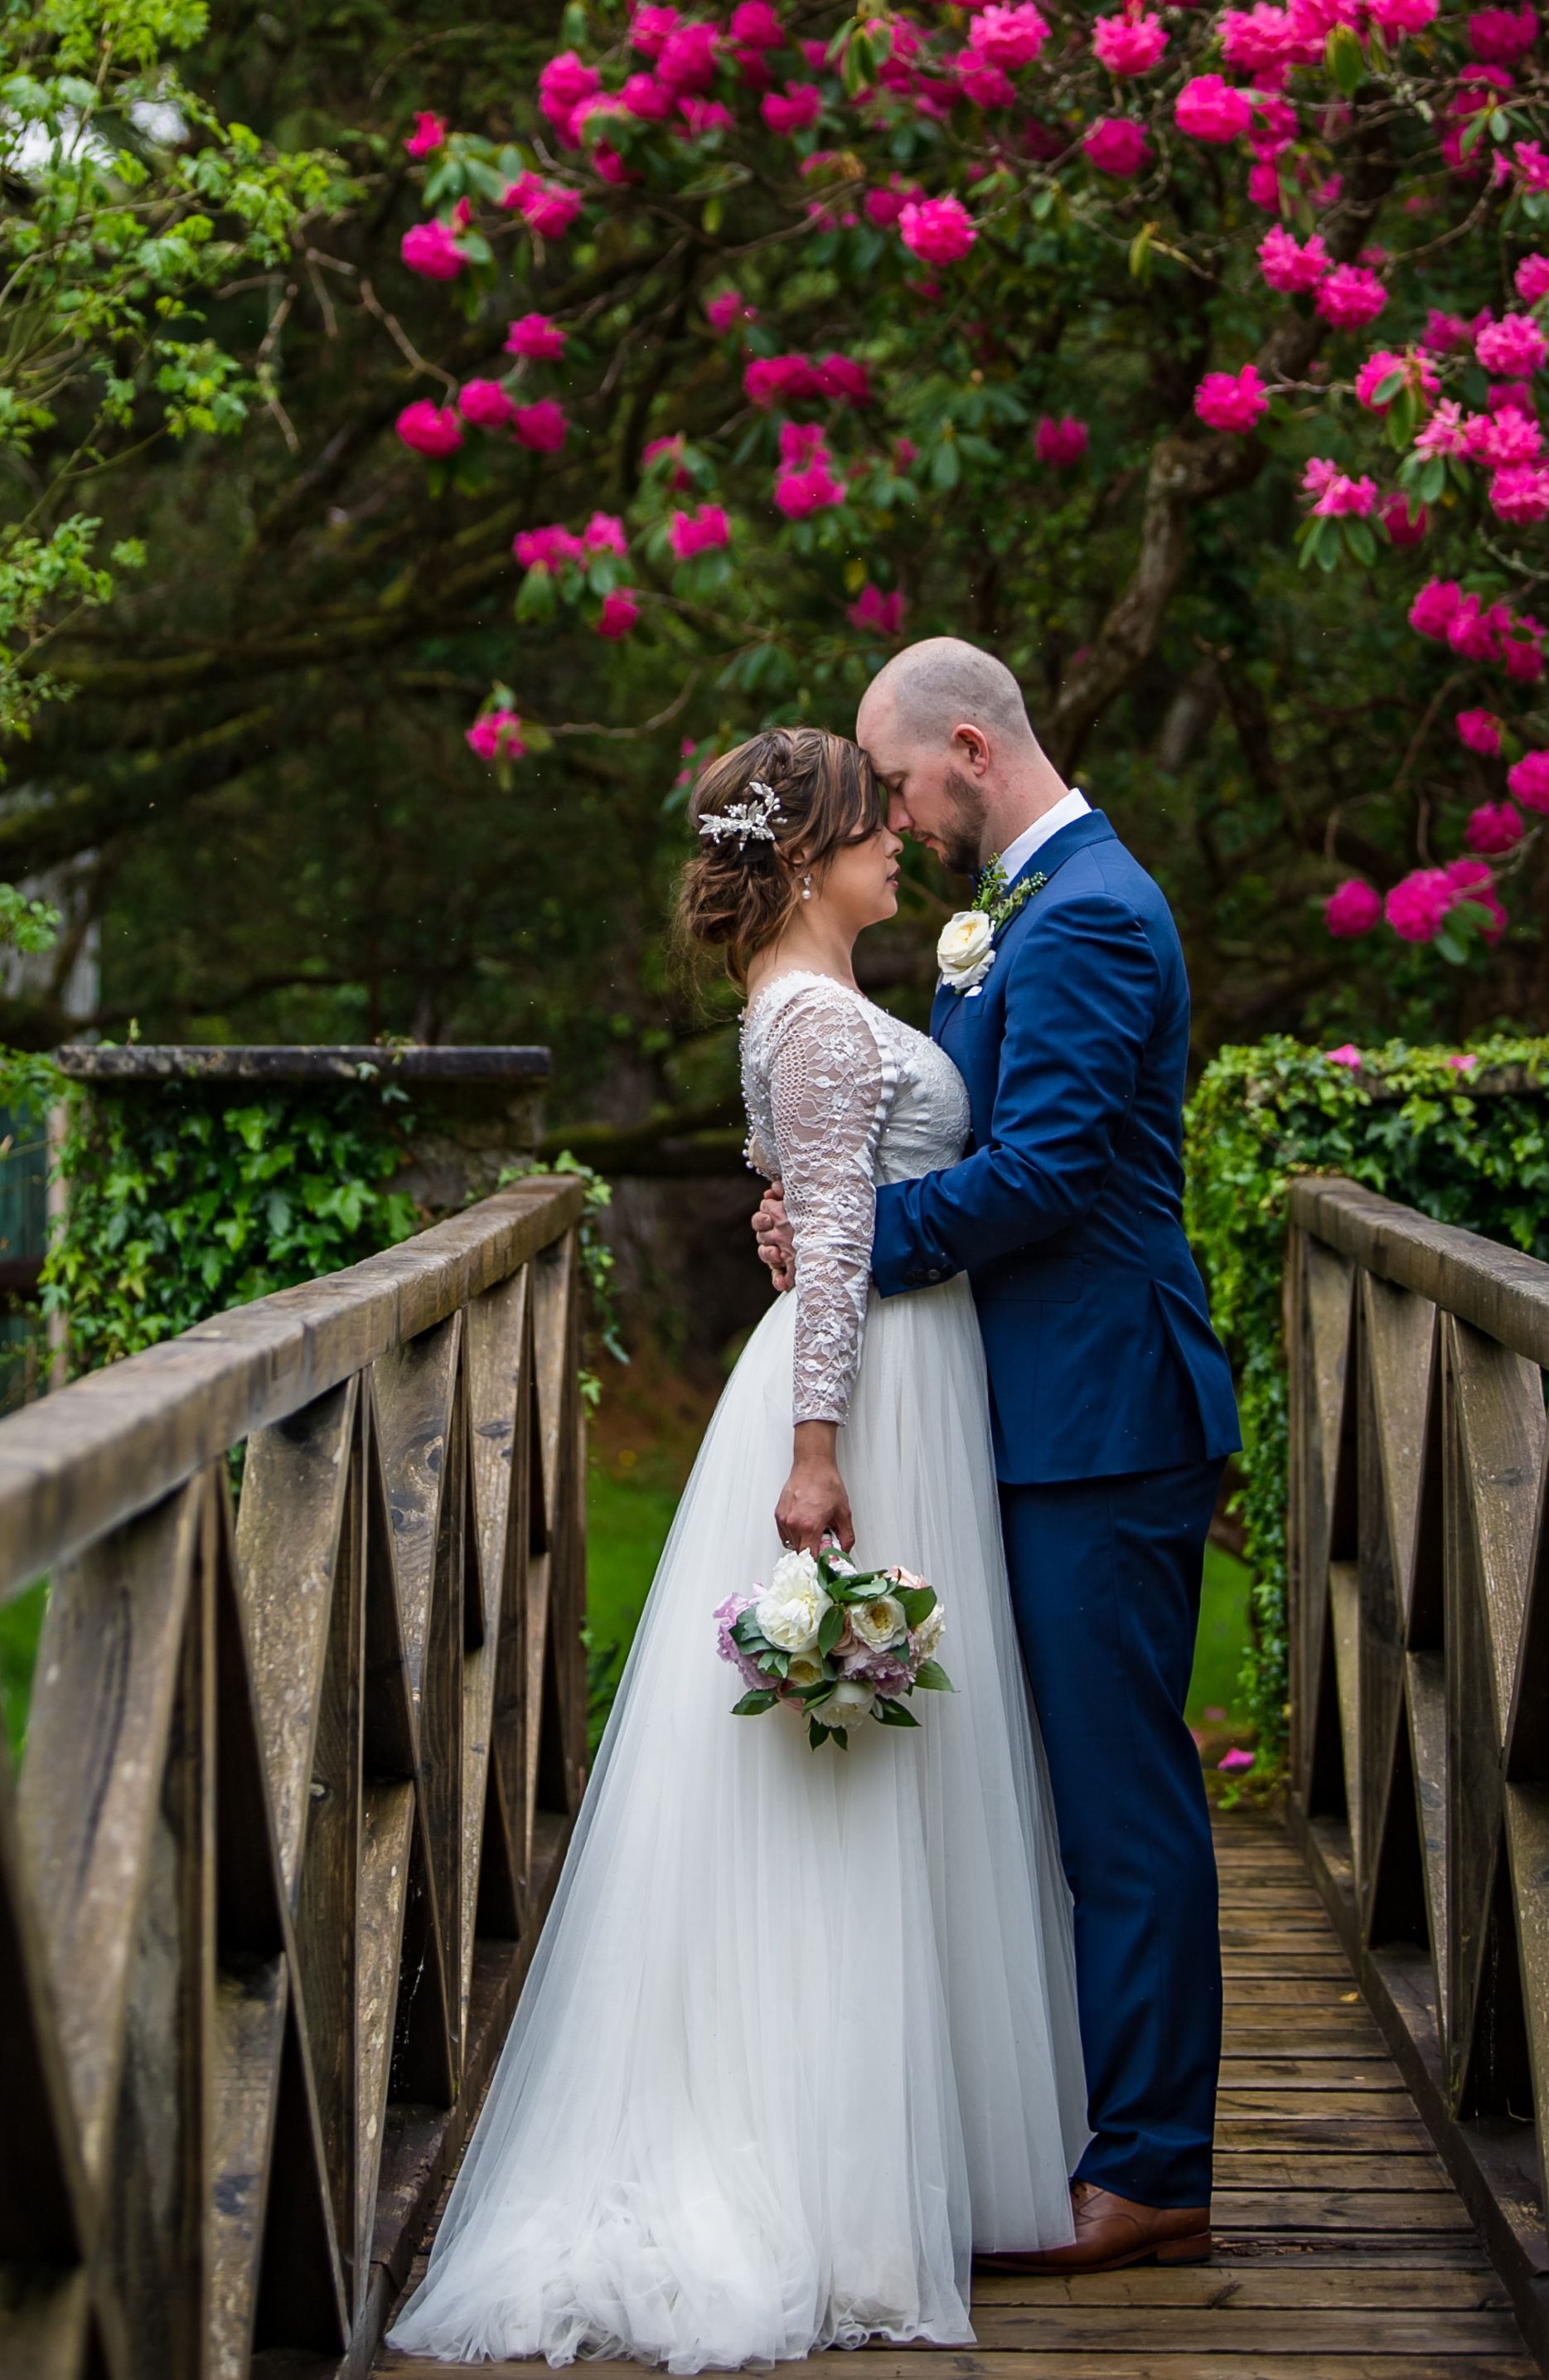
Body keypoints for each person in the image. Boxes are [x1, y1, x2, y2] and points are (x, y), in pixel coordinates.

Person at [390, 725, 1086, 2372]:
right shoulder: (819, 1020)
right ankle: (839, 2191)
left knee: (868, 1758)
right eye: (873, 827)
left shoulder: (796, 1011)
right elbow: (831, 1239)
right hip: (861, 1399)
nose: (901, 844)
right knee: (849, 1766)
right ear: (807, 856)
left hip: (880, 1373)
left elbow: (809, 1209)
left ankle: (902, 2158)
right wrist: (822, 1457)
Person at [753, 638, 1241, 2276]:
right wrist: (832, 1216)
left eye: (899, 786)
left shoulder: (1093, 911)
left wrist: (845, 1239)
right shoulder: (1021, 912)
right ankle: (1071, 2128)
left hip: (1104, 1419)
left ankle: (1157, 2162)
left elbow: (1038, 1176)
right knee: (1051, 1797)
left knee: (1121, 1804)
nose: (897, 815)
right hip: (1031, 1413)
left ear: (971, 747)